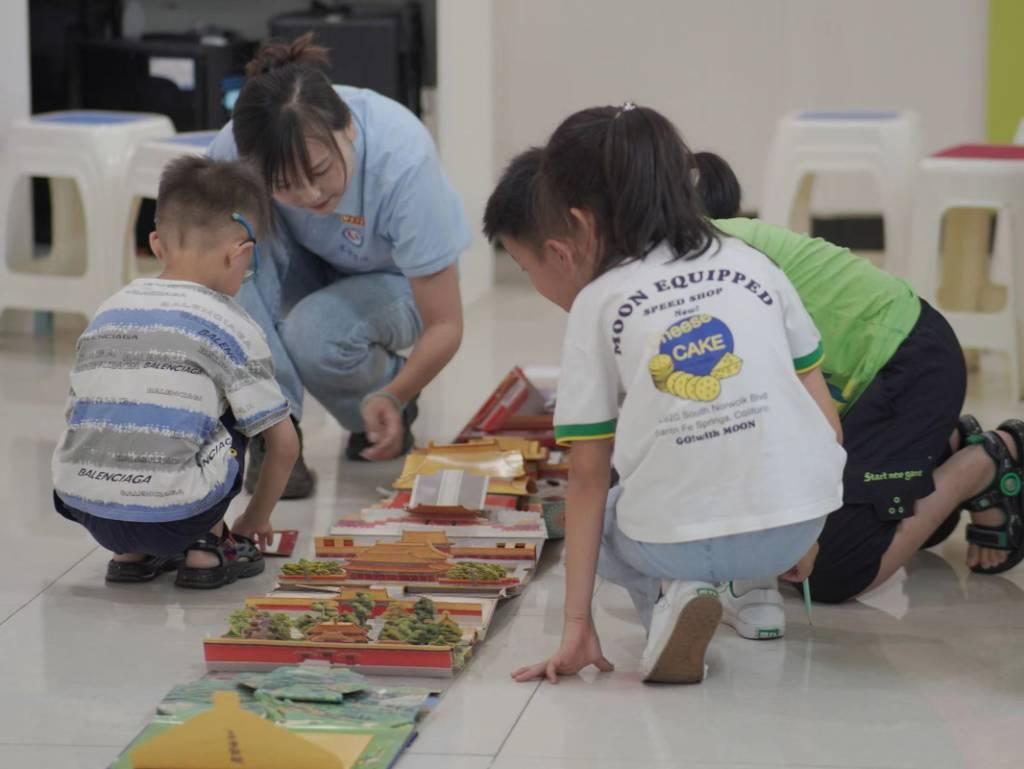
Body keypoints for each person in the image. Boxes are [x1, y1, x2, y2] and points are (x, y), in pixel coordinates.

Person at [485, 146, 1024, 617]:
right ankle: (933, 445)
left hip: (905, 365)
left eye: (523, 266)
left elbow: (758, 415)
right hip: (862, 386)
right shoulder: (656, 261)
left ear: (563, 244)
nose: (532, 285)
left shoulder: (699, 261)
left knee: (833, 570)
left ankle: (978, 463)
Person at [486, 104, 847, 684]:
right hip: (794, 528)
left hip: (676, 545)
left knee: (598, 510)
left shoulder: (599, 304)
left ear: (575, 225)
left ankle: (670, 602)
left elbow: (587, 475)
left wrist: (576, 624)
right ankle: (748, 594)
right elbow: (823, 420)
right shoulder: (756, 264)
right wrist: (813, 518)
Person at [208, 34, 470, 498]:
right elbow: (216, 278)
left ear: (347, 127)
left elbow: (446, 323)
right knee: (235, 257)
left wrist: (395, 394)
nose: (310, 196)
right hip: (304, 265)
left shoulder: (402, 158)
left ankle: (377, 399)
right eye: (285, 185)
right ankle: (276, 427)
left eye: (321, 170)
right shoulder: (234, 150)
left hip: (392, 282)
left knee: (314, 336)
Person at [51, 157, 300, 589]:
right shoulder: (233, 323)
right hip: (179, 516)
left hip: (84, 505)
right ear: (239, 253)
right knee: (239, 407)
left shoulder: (110, 309)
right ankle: (209, 546)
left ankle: (131, 554)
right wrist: (252, 520)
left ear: (157, 244)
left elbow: (79, 414)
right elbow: (283, 445)